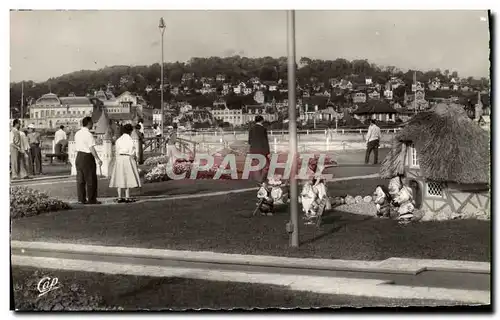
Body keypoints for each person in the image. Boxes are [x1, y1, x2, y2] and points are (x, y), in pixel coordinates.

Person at [109, 124, 141, 203]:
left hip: (119, 158)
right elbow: (132, 151)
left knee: (119, 176)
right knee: (127, 177)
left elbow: (116, 151)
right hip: (127, 158)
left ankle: (119, 197)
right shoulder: (130, 140)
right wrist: (136, 157)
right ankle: (127, 196)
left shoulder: (118, 140)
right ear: (130, 131)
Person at [74, 116, 103, 205]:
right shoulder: (88, 134)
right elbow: (91, 148)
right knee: (91, 178)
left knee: (80, 179)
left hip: (79, 156)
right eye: (92, 123)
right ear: (89, 123)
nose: (93, 125)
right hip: (87, 156)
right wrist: (98, 159)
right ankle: (91, 199)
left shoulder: (77, 133)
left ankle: (81, 199)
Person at [248, 115, 270, 182]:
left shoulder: (251, 128)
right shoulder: (263, 129)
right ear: (262, 120)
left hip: (253, 151)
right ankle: (261, 179)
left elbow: (249, 141)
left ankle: (258, 180)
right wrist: (268, 152)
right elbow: (265, 141)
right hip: (262, 151)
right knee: (266, 166)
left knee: (256, 166)